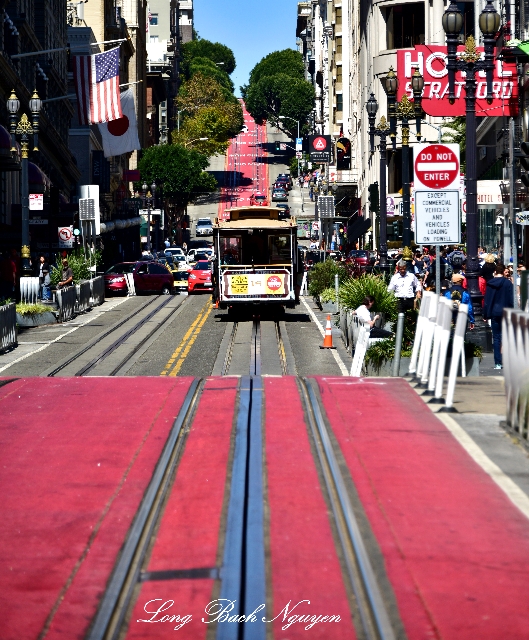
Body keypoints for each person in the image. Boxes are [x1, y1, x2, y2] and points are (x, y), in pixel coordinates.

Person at [483, 263, 514, 370]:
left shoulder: (490, 283)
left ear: (495, 271)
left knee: (496, 337)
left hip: (494, 312)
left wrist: (486, 314)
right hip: (506, 312)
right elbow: (511, 300)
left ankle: (498, 362)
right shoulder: (508, 283)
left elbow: (487, 300)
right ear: (503, 271)